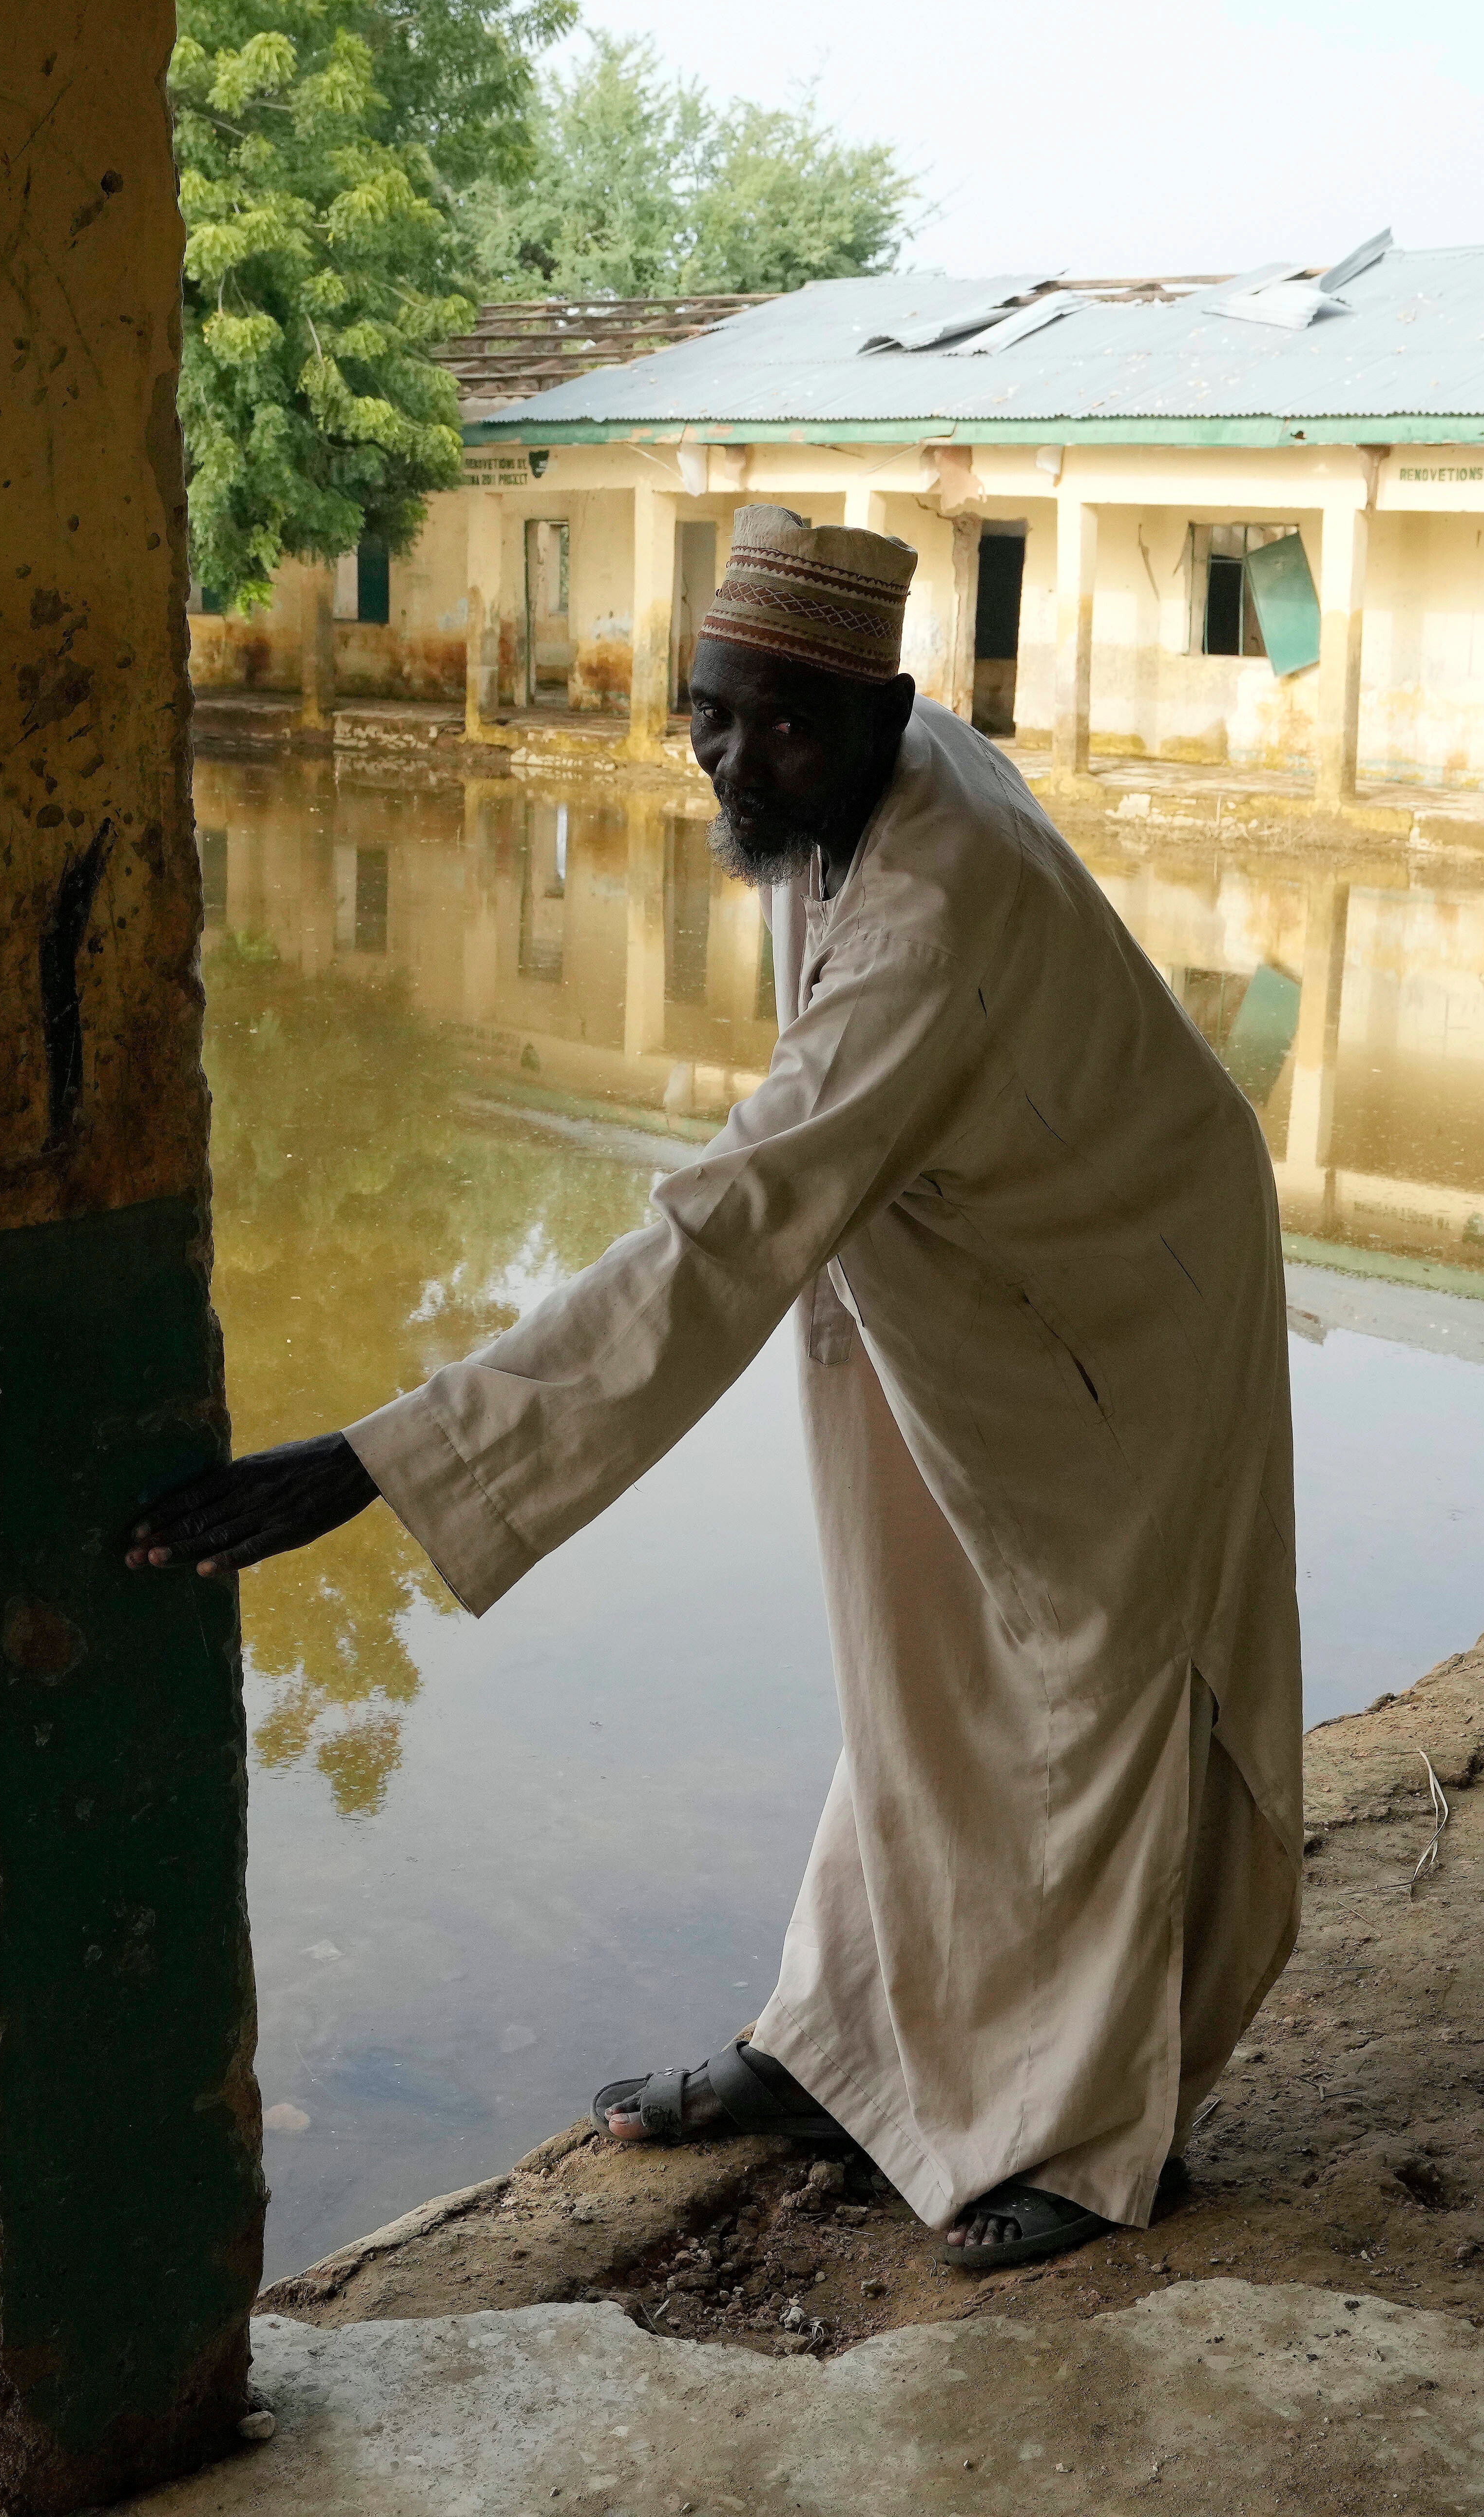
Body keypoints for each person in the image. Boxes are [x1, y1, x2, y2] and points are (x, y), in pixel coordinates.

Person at [125, 504, 1300, 2271]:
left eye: (787, 724)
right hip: (959, 1257)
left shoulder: (928, 919)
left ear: (890, 710)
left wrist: (385, 1458)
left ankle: (1083, 2130)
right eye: (712, 713)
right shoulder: (857, 795)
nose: (739, 759)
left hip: (1118, 1298)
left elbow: (720, 1236)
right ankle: (835, 2048)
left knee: (1089, 1682)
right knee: (918, 1652)